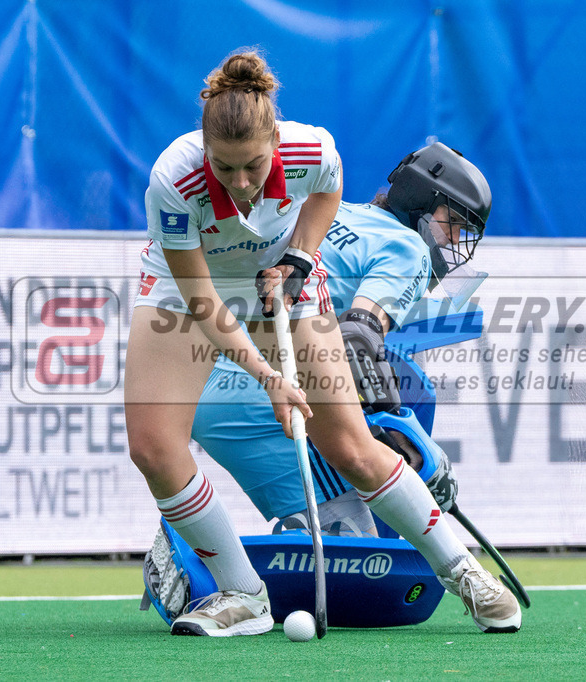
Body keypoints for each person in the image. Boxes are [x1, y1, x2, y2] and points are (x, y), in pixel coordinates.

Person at [126, 49, 521, 637]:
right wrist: (268, 378)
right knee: (153, 447)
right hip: (192, 289)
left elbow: (326, 193)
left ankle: (461, 569)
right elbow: (205, 302)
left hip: (281, 278)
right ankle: (242, 595)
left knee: (349, 444)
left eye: (253, 168)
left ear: (275, 145)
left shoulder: (311, 149)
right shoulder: (174, 178)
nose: (239, 185)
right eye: (225, 168)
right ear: (205, 150)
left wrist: (299, 256)